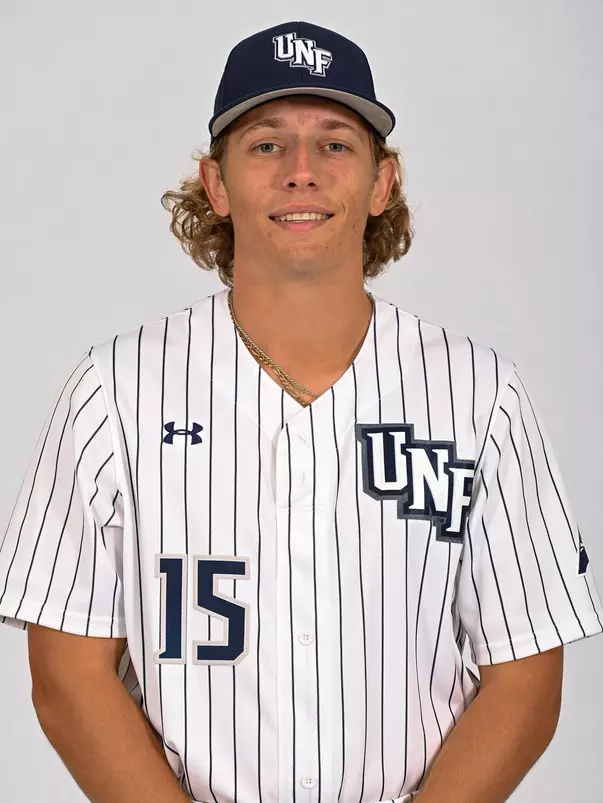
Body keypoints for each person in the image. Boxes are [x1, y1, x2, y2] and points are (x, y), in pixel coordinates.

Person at [0, 19, 601, 803]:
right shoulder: (112, 391)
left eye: (335, 143)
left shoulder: (480, 395)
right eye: (265, 144)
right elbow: (67, 676)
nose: (301, 172)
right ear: (216, 183)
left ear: (381, 181)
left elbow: (525, 678)